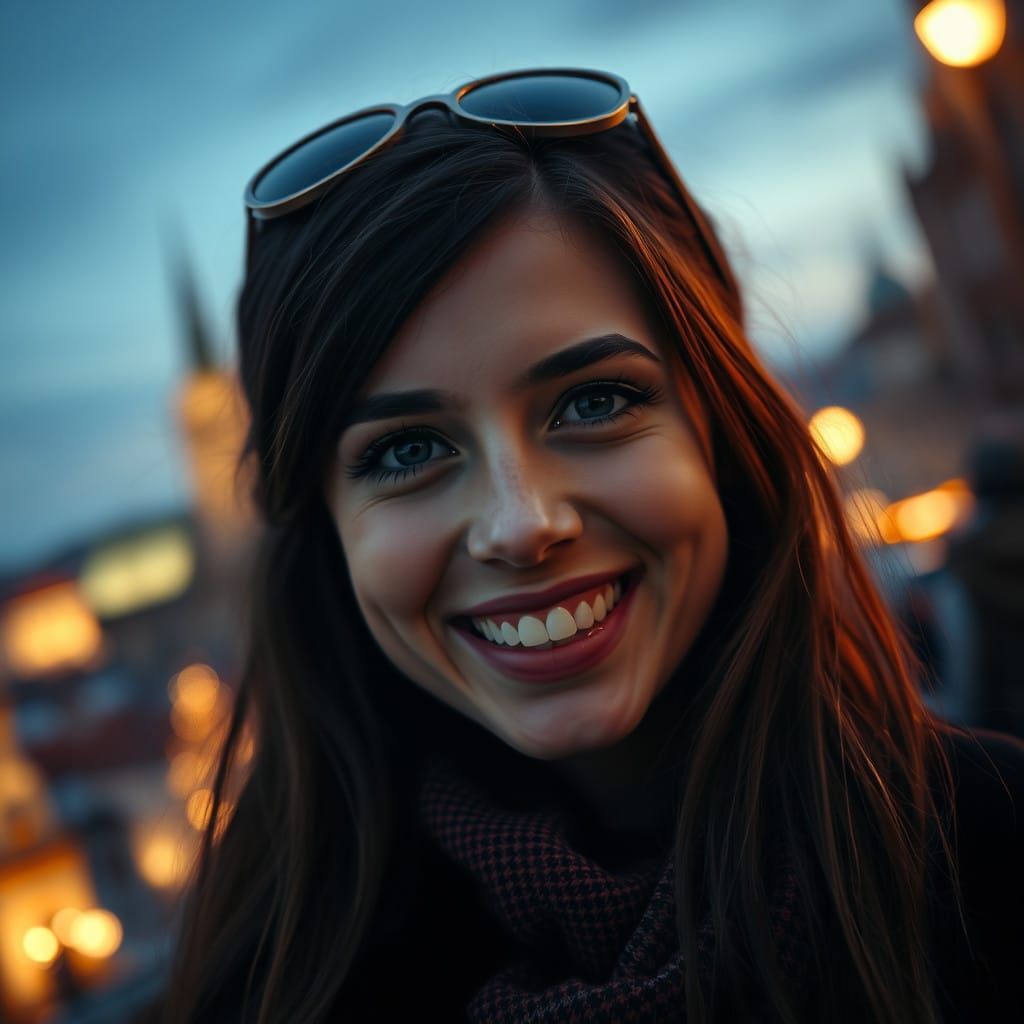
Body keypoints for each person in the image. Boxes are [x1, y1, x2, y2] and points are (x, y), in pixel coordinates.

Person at [159, 70, 1023, 1023]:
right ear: (324, 530)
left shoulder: (992, 855)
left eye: (594, 401)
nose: (521, 523)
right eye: (406, 451)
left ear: (716, 423)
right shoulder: (264, 992)